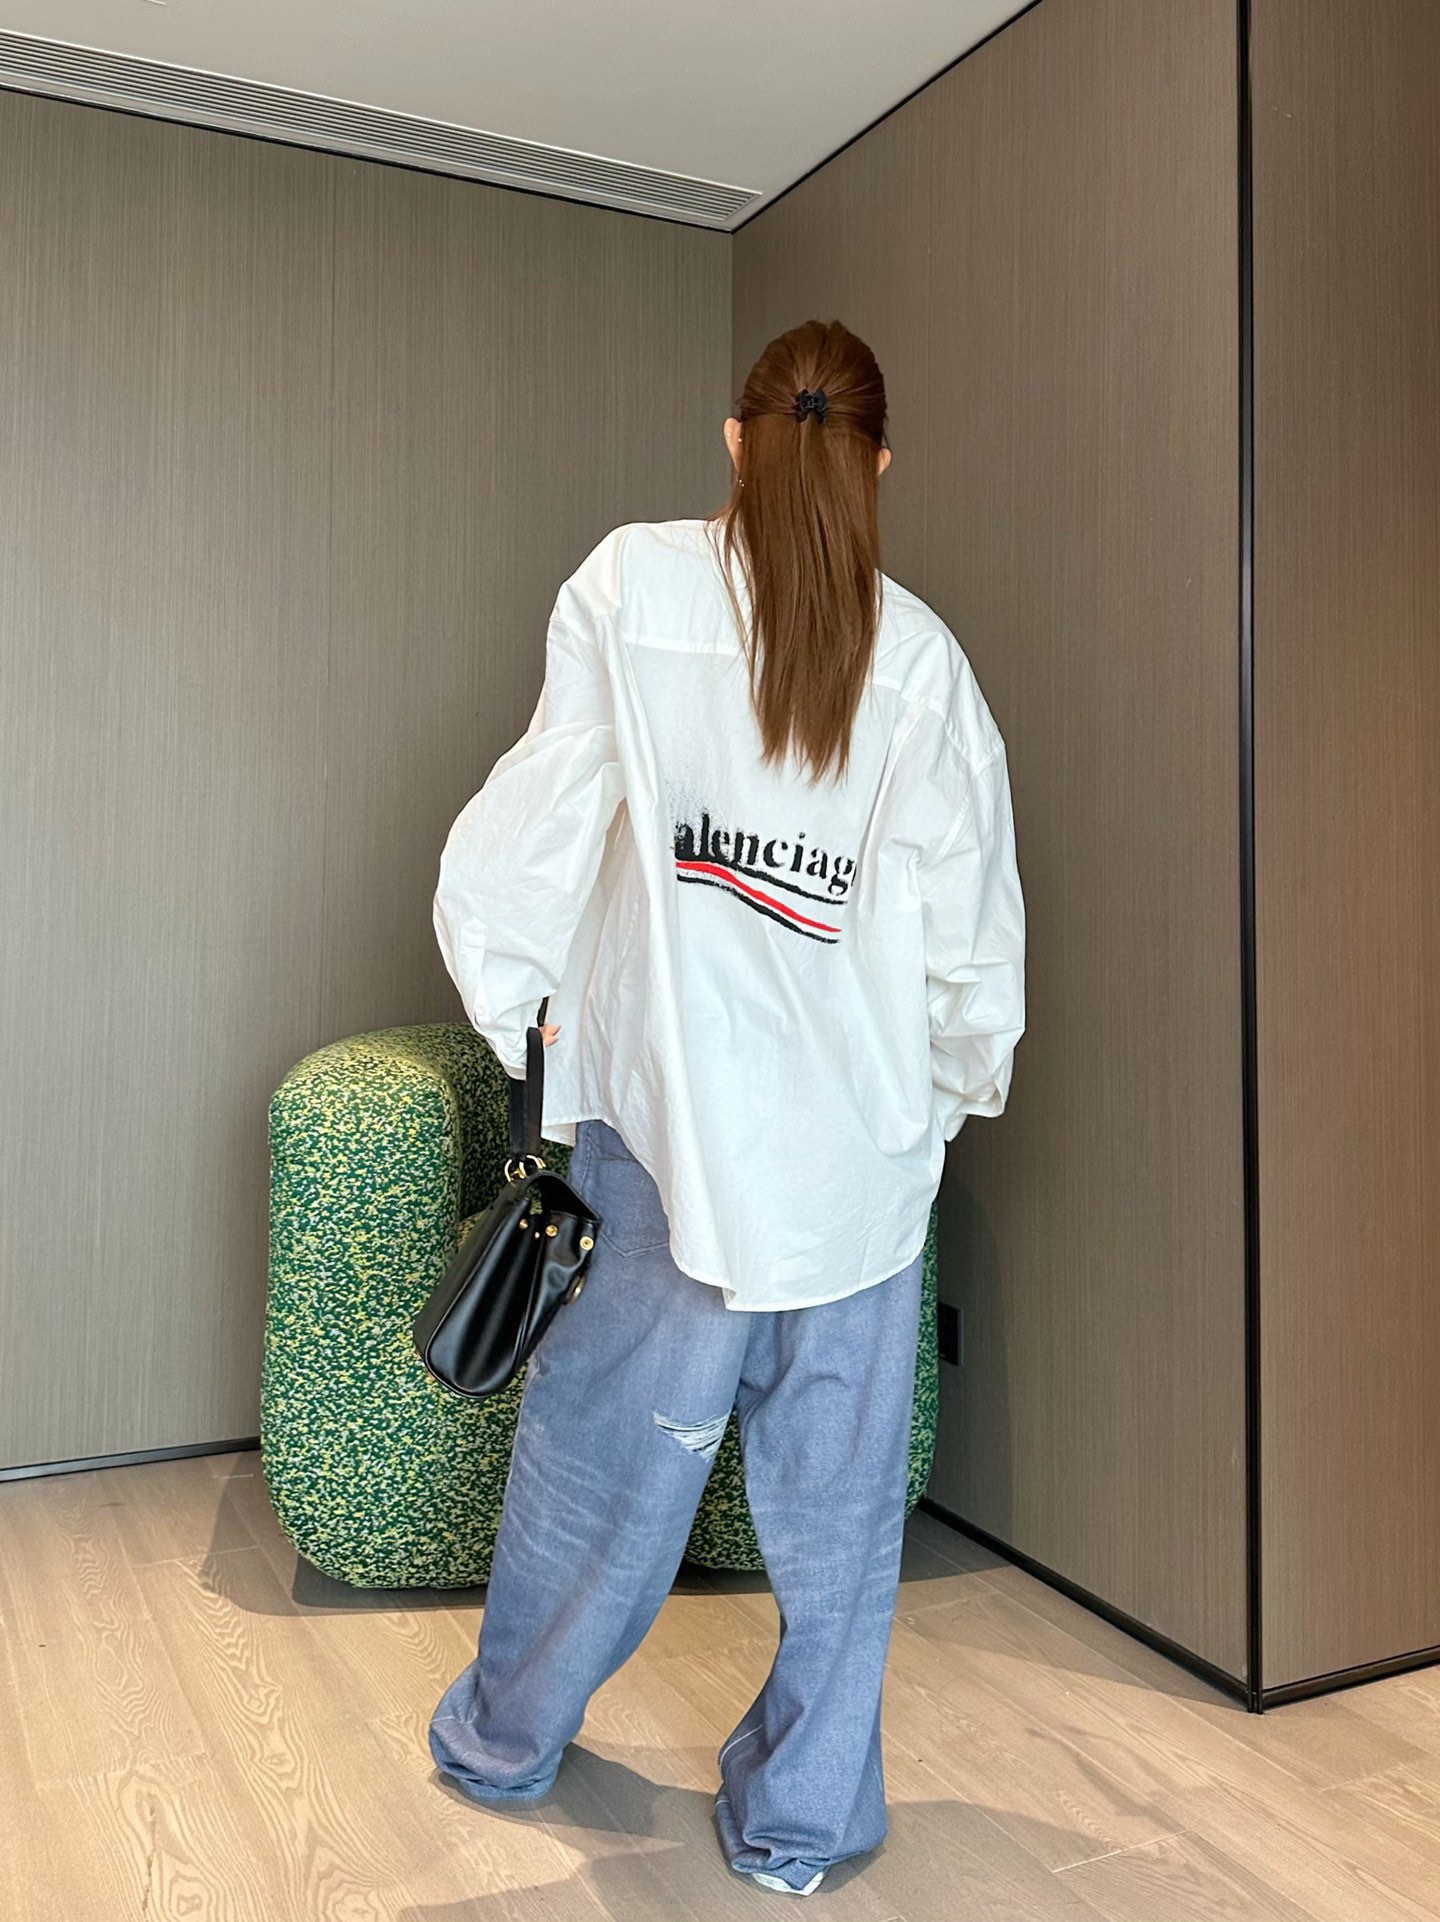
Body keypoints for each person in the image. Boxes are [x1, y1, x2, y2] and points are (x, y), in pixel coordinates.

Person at [427, 318, 1026, 1895]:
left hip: (668, 1144)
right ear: (878, 463)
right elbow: (973, 951)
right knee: (838, 1524)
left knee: (599, 1473)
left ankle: (501, 1741)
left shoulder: (632, 588)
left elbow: (534, 829)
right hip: (858, 1171)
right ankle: (800, 1826)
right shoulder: (925, 665)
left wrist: (523, 1019)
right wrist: (940, 1099)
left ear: (737, 441)